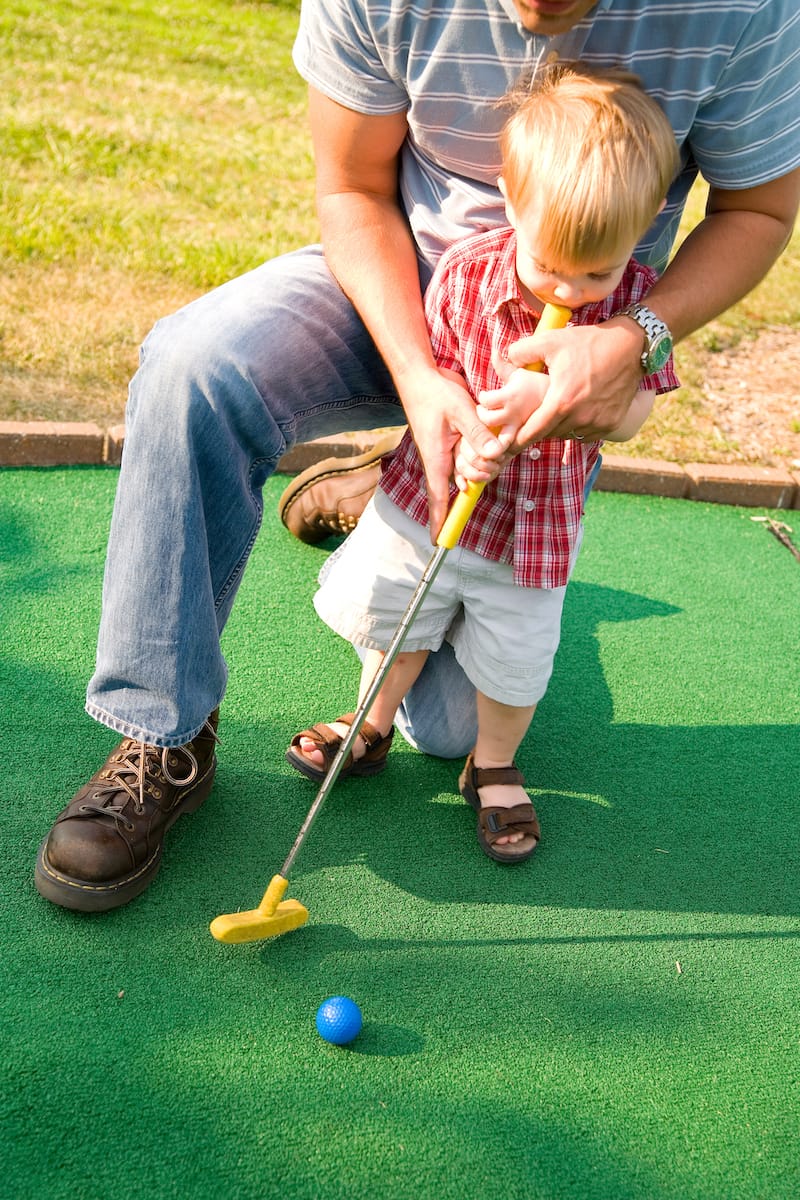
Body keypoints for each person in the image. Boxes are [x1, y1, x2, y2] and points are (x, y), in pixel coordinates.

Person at [34, 1, 800, 910]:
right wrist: (420, 375)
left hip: (586, 355)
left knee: (447, 734)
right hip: (404, 290)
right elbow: (352, 188)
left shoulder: (746, 10)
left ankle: (391, 489)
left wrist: (636, 338)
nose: (537, 12)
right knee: (193, 367)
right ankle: (161, 732)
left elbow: (760, 207)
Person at [284, 64, 680, 863]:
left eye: (594, 273)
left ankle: (492, 764)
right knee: (397, 623)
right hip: (434, 502)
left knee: (514, 663)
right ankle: (368, 724)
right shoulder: (470, 273)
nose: (567, 289)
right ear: (512, 203)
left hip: (530, 537)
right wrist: (475, 422)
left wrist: (601, 405)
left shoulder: (635, 305)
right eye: (550, 264)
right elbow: (433, 378)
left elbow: (639, 411)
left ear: (637, 238)